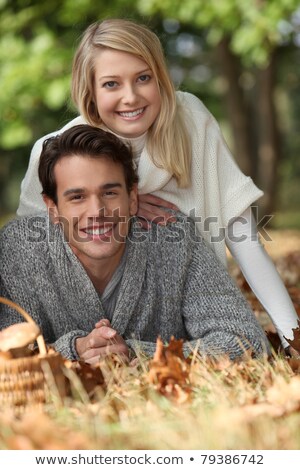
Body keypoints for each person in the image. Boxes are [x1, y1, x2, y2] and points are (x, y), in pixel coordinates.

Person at [16, 18, 298, 352]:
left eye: (143, 78)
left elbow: (244, 238)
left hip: (193, 316)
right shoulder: (58, 154)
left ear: (160, 78)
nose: (130, 97)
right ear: (89, 90)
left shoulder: (190, 119)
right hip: (89, 324)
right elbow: (31, 255)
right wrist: (116, 205)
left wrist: (290, 333)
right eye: (111, 84)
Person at [0, 125, 269, 363]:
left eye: (109, 192)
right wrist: (74, 350)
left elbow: (247, 341)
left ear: (132, 198)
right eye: (77, 197)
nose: (97, 211)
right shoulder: (16, 250)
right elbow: (7, 354)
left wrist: (135, 354)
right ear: (53, 208)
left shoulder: (173, 238)